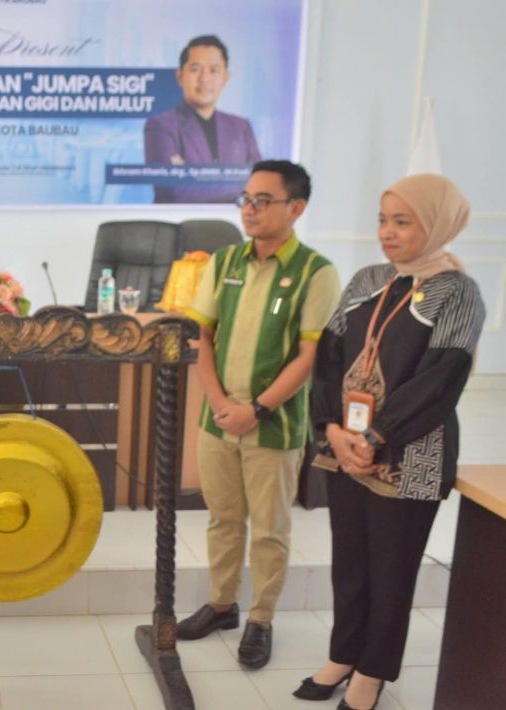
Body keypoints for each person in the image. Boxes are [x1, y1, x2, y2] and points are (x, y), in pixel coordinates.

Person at [295, 174, 484, 710]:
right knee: (350, 563)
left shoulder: (458, 292)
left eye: (403, 221)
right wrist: (331, 427)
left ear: (438, 224)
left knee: (391, 570)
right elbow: (329, 358)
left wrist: (376, 435)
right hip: (346, 449)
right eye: (383, 219)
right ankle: (343, 654)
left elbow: (442, 377)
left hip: (410, 457)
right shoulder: (366, 280)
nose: (388, 232)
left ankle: (372, 673)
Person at [181, 160, 340, 668]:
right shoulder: (224, 260)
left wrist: (256, 408)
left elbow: (310, 355)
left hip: (274, 426)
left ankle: (261, 619)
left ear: (296, 208)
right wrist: (220, 403)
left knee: (269, 528)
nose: (249, 209)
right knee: (223, 519)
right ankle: (222, 605)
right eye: (245, 199)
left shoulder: (316, 271)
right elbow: (200, 335)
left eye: (262, 200)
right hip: (219, 420)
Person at [143, 34, 261, 203]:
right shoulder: (161, 126)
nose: (204, 79)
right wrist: (240, 182)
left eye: (214, 70)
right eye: (195, 69)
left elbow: (261, 185)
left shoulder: (241, 127)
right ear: (180, 76)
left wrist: (194, 180)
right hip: (179, 224)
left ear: (225, 78)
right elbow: (174, 190)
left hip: (234, 223)